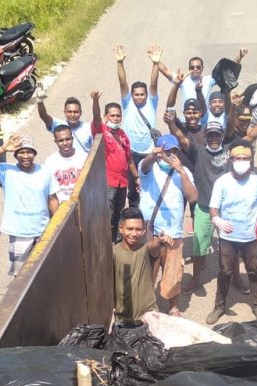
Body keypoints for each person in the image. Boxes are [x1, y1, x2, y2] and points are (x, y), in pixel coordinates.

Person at [167, 114, 257, 295]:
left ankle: (237, 279)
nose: (214, 139)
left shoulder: (230, 150)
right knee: (199, 248)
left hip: (228, 212)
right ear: (205, 136)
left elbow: (250, 137)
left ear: (222, 136)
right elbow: (182, 138)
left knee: (234, 249)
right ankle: (195, 279)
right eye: (210, 135)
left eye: (217, 135)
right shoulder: (198, 151)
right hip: (205, 208)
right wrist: (170, 123)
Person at [0, 136, 57, 276]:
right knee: (21, 276)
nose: (26, 156)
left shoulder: (45, 171)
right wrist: (2, 149)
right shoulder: (6, 171)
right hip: (19, 233)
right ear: (15, 155)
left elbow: (53, 200)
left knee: (46, 271)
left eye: (29, 152)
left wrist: (56, 226)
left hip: (42, 229)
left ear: (35, 154)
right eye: (21, 152)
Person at [206, 143, 257, 324]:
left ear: (251, 160)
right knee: (225, 271)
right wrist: (217, 220)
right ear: (231, 160)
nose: (241, 161)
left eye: (245, 158)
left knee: (253, 271)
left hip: (250, 237)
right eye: (237, 158)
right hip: (228, 237)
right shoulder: (222, 181)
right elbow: (213, 208)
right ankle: (219, 306)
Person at [138, 134, 197, 316]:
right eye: (166, 151)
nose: (169, 155)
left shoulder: (183, 171)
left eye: (173, 151)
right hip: (149, 228)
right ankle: (147, 304)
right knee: (147, 268)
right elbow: (145, 165)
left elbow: (193, 197)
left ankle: (173, 306)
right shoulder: (148, 168)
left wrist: (181, 171)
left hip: (173, 230)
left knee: (173, 269)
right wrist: (152, 156)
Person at [115, 43, 163, 207]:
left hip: (148, 152)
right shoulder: (127, 103)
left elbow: (154, 83)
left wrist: (155, 63)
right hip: (131, 153)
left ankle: (150, 217)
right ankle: (134, 217)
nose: (139, 97)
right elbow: (123, 83)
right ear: (132, 95)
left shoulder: (152, 102)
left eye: (142, 94)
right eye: (136, 94)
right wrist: (120, 63)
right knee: (133, 189)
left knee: (150, 186)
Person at [91, 91, 139, 240]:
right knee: (107, 214)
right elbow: (96, 118)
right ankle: (104, 242)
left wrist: (137, 178)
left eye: (118, 115)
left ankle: (116, 241)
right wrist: (95, 101)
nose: (116, 118)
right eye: (112, 115)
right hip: (108, 182)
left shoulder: (123, 135)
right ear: (106, 117)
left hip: (122, 182)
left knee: (119, 212)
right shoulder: (101, 130)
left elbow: (129, 159)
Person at [114, 207, 166, 323]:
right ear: (121, 229)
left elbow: (153, 246)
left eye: (138, 229)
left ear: (143, 231)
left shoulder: (145, 250)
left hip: (148, 316)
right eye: (130, 229)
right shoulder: (113, 253)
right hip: (122, 319)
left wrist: (160, 241)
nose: (134, 234)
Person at [45, 124, 88, 204]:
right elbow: (50, 194)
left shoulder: (85, 157)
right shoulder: (50, 162)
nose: (65, 143)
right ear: (56, 142)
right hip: (62, 207)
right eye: (61, 140)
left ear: (72, 139)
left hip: (84, 204)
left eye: (68, 139)